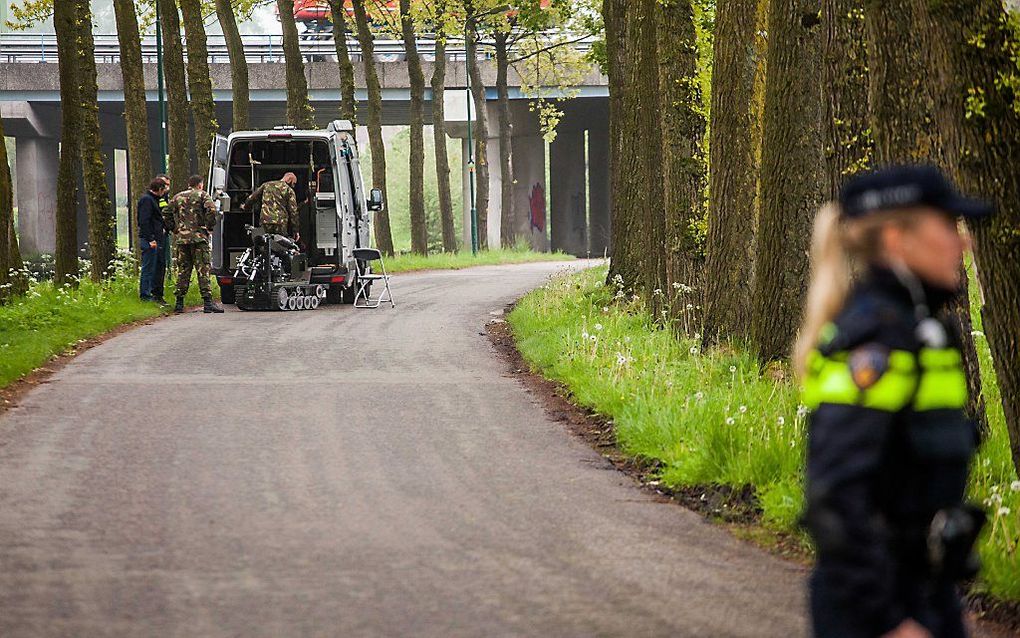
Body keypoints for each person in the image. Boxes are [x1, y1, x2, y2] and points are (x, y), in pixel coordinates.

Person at [796, 165, 992, 638]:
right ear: (897, 240)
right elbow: (835, 499)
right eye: (947, 226)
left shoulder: (919, 330)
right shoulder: (876, 342)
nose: (962, 243)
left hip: (924, 592)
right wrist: (889, 621)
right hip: (877, 607)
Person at [166, 175, 224, 314]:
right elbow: (212, 210)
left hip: (182, 239)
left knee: (183, 270)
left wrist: (175, 229)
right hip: (199, 238)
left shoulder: (178, 197)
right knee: (203, 269)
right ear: (200, 185)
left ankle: (179, 303)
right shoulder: (203, 195)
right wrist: (209, 227)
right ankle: (208, 303)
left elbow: (166, 212)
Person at [138, 177, 170, 304]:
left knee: (156, 267)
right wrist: (150, 238)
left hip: (157, 238)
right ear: (160, 189)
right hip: (150, 240)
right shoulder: (147, 200)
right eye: (164, 189)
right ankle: (145, 295)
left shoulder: (154, 199)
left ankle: (153, 294)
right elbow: (144, 221)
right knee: (148, 268)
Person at [243, 172, 301, 241]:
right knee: (280, 245)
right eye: (293, 183)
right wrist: (296, 230)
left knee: (265, 242)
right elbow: (293, 211)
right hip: (280, 222)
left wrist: (245, 207)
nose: (293, 186)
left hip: (265, 220)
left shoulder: (266, 185)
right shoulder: (289, 190)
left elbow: (252, 198)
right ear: (289, 180)